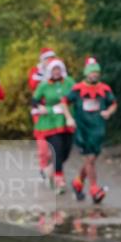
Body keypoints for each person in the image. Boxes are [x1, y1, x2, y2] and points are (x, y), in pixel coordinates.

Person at [68, 57, 118, 204]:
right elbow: (64, 102)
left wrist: (109, 112)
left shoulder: (104, 89)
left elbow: (114, 103)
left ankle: (77, 183)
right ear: (86, 73)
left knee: (91, 159)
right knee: (89, 159)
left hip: (98, 129)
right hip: (82, 129)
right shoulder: (77, 89)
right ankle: (94, 189)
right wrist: (69, 118)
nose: (94, 75)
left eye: (97, 72)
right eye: (92, 72)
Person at [31, 57, 76, 192]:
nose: (56, 72)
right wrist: (41, 108)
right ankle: (59, 180)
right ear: (50, 71)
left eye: (58, 69)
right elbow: (34, 100)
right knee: (57, 148)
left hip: (66, 119)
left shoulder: (69, 82)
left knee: (66, 151)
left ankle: (48, 170)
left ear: (62, 70)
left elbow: (77, 95)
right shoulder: (44, 85)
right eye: (53, 69)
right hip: (50, 121)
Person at [28, 48, 57, 180]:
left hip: (56, 112)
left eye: (52, 58)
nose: (49, 61)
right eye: (47, 58)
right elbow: (33, 85)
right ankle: (43, 166)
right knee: (43, 143)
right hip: (40, 111)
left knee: (56, 141)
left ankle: (53, 169)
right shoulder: (36, 72)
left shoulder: (59, 72)